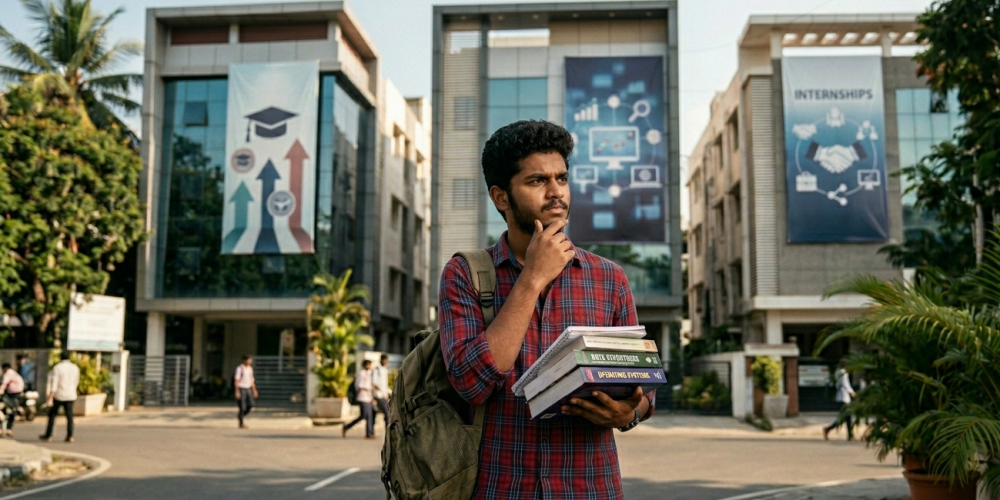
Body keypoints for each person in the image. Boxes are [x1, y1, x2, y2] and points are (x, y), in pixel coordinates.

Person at [438, 120, 655, 499]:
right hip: (499, 488)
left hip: (590, 488)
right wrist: (530, 280)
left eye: (562, 178)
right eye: (538, 181)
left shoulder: (609, 279)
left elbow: (643, 386)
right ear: (501, 196)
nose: (556, 192)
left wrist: (629, 413)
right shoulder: (465, 274)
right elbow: (470, 382)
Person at [40, 351, 79, 443]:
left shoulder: (57, 368)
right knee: (69, 416)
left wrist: (50, 398)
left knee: (52, 415)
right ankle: (70, 435)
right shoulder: (75, 368)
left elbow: (54, 384)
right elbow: (76, 381)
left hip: (59, 395)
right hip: (70, 394)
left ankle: (48, 435)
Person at [342, 359, 375, 439]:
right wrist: (366, 389)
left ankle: (369, 433)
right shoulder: (361, 374)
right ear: (364, 365)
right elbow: (358, 385)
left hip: (368, 397)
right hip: (362, 397)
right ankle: (367, 432)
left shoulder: (370, 374)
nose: (369, 366)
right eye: (367, 365)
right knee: (365, 415)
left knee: (368, 415)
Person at [823, 363, 856, 441]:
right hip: (844, 397)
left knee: (847, 417)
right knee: (845, 417)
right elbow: (845, 384)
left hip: (841, 396)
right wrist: (852, 392)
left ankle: (849, 435)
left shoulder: (838, 372)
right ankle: (828, 428)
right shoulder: (843, 372)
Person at [0, 363, 24, 437]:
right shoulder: (14, 373)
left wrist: (1, 391)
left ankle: (2, 429)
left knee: (4, 410)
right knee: (12, 411)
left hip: (10, 395)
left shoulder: (8, 373)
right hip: (16, 395)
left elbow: (4, 383)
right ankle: (8, 429)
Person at [234, 356, 258, 429]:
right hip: (241, 388)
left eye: (250, 360)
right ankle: (241, 423)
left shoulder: (250, 369)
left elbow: (252, 380)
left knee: (251, 404)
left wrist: (254, 390)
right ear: (244, 360)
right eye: (248, 360)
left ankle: (240, 416)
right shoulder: (240, 368)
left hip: (248, 388)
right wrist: (237, 391)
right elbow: (236, 380)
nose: (250, 361)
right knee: (242, 406)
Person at [372, 354, 390, 430]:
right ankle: (388, 430)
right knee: (387, 413)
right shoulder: (377, 369)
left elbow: (385, 384)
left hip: (384, 395)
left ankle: (370, 430)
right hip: (379, 395)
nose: (386, 362)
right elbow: (374, 382)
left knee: (374, 413)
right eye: (385, 360)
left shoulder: (385, 369)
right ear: (382, 360)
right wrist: (382, 391)